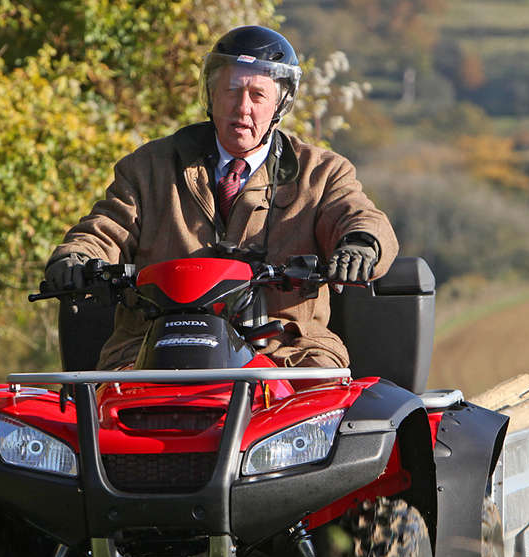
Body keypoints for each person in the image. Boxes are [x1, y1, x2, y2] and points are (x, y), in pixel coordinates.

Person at [44, 25, 398, 371]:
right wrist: (76, 257)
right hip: (153, 351)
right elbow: (105, 228)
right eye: (232, 90)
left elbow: (359, 216)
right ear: (211, 95)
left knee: (331, 411)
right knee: (96, 413)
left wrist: (361, 245)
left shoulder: (321, 173)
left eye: (258, 95)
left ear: (280, 102)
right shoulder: (148, 167)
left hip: (286, 352)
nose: (242, 108)